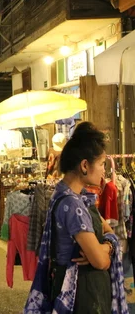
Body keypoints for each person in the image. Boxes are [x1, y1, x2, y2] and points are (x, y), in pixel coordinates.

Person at [24, 122, 127, 313]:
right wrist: (103, 250)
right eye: (102, 164)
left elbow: (109, 231)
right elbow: (101, 262)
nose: (104, 170)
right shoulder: (72, 205)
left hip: (85, 290)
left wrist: (104, 246)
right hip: (81, 297)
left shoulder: (76, 197)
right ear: (85, 165)